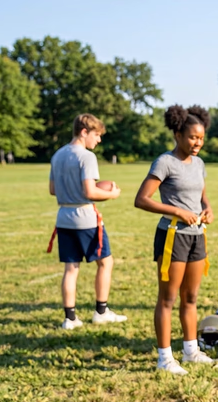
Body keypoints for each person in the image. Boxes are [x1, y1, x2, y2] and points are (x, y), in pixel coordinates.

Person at [134, 104, 215, 375]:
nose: (198, 143)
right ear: (178, 134)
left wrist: (208, 209)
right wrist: (178, 211)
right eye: (193, 137)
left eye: (201, 138)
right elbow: (142, 199)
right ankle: (165, 358)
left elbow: (201, 196)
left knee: (190, 297)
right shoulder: (165, 162)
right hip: (172, 236)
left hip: (197, 236)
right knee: (167, 298)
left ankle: (191, 351)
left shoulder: (200, 164)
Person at [48, 113, 127, 330]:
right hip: (85, 218)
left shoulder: (57, 155)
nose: (99, 140)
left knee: (71, 268)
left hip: (63, 217)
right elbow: (90, 191)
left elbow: (53, 190)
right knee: (105, 262)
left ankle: (70, 318)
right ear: (84, 132)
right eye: (97, 135)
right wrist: (112, 194)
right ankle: (101, 311)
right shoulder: (86, 157)